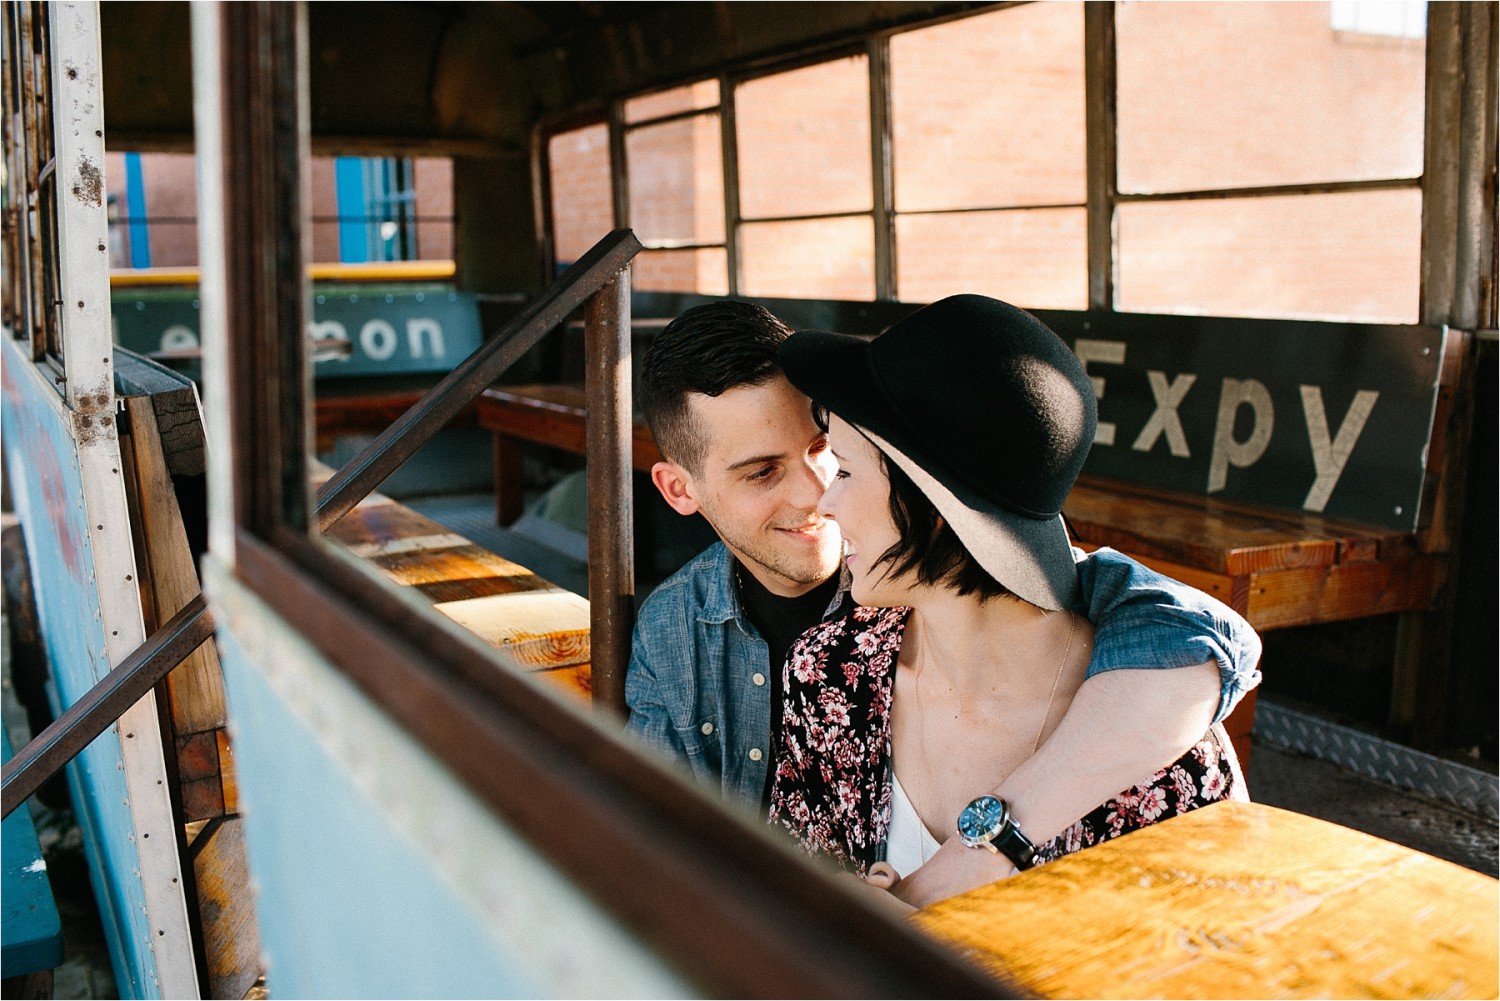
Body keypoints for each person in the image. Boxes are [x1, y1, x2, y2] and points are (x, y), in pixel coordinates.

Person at [626, 302, 1259, 901]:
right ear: (679, 489)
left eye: (834, 461)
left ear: (935, 504)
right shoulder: (816, 666)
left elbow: (1216, 946)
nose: (819, 497)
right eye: (762, 471)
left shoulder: (1153, 716)